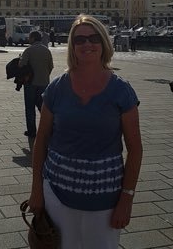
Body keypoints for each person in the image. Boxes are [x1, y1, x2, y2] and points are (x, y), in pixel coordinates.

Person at [27, 15, 143, 249]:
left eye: (93, 38)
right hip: (56, 193)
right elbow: (41, 142)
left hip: (105, 199)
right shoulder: (57, 88)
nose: (87, 44)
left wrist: (126, 198)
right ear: (72, 46)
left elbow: (135, 148)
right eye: (79, 40)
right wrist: (36, 190)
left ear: (104, 43)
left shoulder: (121, 90)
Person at [19, 30, 53, 149]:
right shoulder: (46, 50)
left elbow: (21, 65)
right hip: (44, 83)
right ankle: (48, 128)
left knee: (29, 107)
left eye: (29, 37)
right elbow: (51, 66)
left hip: (30, 83)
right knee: (43, 108)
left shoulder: (29, 50)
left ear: (33, 38)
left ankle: (32, 131)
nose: (28, 39)